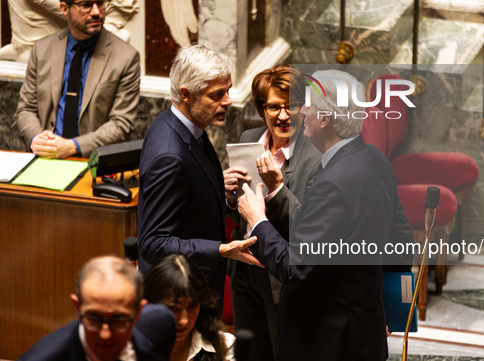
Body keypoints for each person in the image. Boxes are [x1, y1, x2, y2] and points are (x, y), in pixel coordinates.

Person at [238, 70, 415, 360]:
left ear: (325, 119)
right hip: (364, 329)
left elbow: (294, 269)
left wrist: (258, 220)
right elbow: (400, 241)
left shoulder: (333, 181)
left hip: (326, 340)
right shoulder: (374, 159)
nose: (303, 111)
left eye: (309, 105)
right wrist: (391, 307)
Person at [137, 44, 262, 307]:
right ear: (186, 94)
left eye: (227, 90)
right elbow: (153, 244)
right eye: (216, 95)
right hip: (178, 296)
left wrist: (223, 193)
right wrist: (221, 249)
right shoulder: (170, 156)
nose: (227, 100)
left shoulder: (175, 123)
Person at [223, 64, 321, 361]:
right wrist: (228, 195)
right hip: (245, 271)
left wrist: (278, 189)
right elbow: (240, 208)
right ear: (261, 108)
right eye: (274, 107)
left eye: (291, 106)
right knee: (251, 353)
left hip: (283, 276)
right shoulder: (247, 139)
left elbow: (311, 228)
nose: (283, 116)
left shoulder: (317, 156)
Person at [14, 0, 141, 159]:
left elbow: (122, 123)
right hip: (43, 157)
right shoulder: (42, 50)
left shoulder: (125, 57)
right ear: (64, 8)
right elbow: (26, 109)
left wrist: (73, 146)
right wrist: (35, 139)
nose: (97, 12)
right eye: (86, 5)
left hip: (91, 161)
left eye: (101, 3)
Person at [19, 256, 176, 361]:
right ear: (77, 306)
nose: (105, 334)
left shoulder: (161, 324)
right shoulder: (42, 358)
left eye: (119, 320)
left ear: (139, 312)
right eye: (93, 318)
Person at [144, 254, 235, 361]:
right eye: (173, 308)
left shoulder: (225, 345)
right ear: (151, 304)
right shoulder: (130, 348)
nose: (184, 321)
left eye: (192, 306)